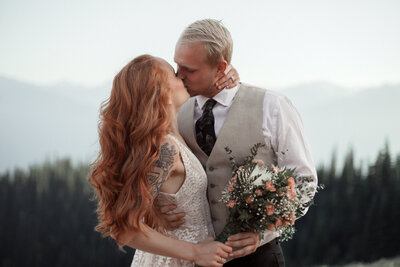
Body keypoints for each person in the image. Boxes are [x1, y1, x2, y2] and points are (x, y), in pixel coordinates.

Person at [160, 19, 318, 266]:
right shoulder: (176, 110)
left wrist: (264, 231)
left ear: (221, 67)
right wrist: (154, 210)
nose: (179, 75)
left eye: (189, 69)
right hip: (195, 257)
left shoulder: (272, 106)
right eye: (176, 65)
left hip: (259, 259)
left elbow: (305, 182)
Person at [88, 54, 237, 267]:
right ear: (162, 93)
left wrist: (227, 75)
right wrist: (195, 252)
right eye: (174, 75)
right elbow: (124, 229)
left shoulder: (174, 136)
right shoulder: (165, 148)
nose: (182, 77)